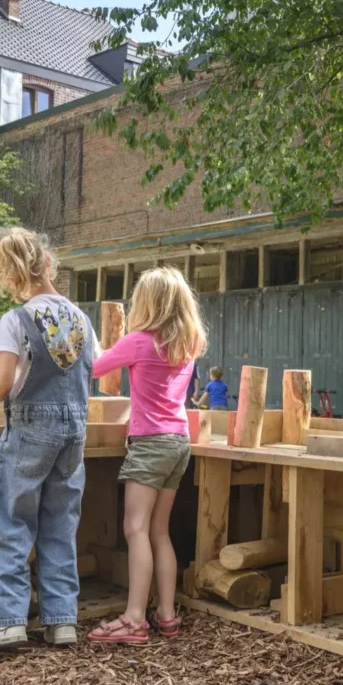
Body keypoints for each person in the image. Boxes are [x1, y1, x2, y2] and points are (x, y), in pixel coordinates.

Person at [0, 226, 96, 652]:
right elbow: (95, 371)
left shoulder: (15, 320)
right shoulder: (82, 319)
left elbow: (1, 386)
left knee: (12, 522)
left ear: (9, 277)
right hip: (75, 432)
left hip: (31, 430)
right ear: (49, 263)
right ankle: (61, 620)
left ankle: (4, 622)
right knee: (60, 524)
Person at [87, 267, 207, 644]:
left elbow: (93, 367)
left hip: (150, 443)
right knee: (159, 531)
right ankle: (166, 615)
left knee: (134, 529)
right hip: (178, 441)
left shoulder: (139, 341)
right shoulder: (189, 344)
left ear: (146, 303)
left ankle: (134, 618)